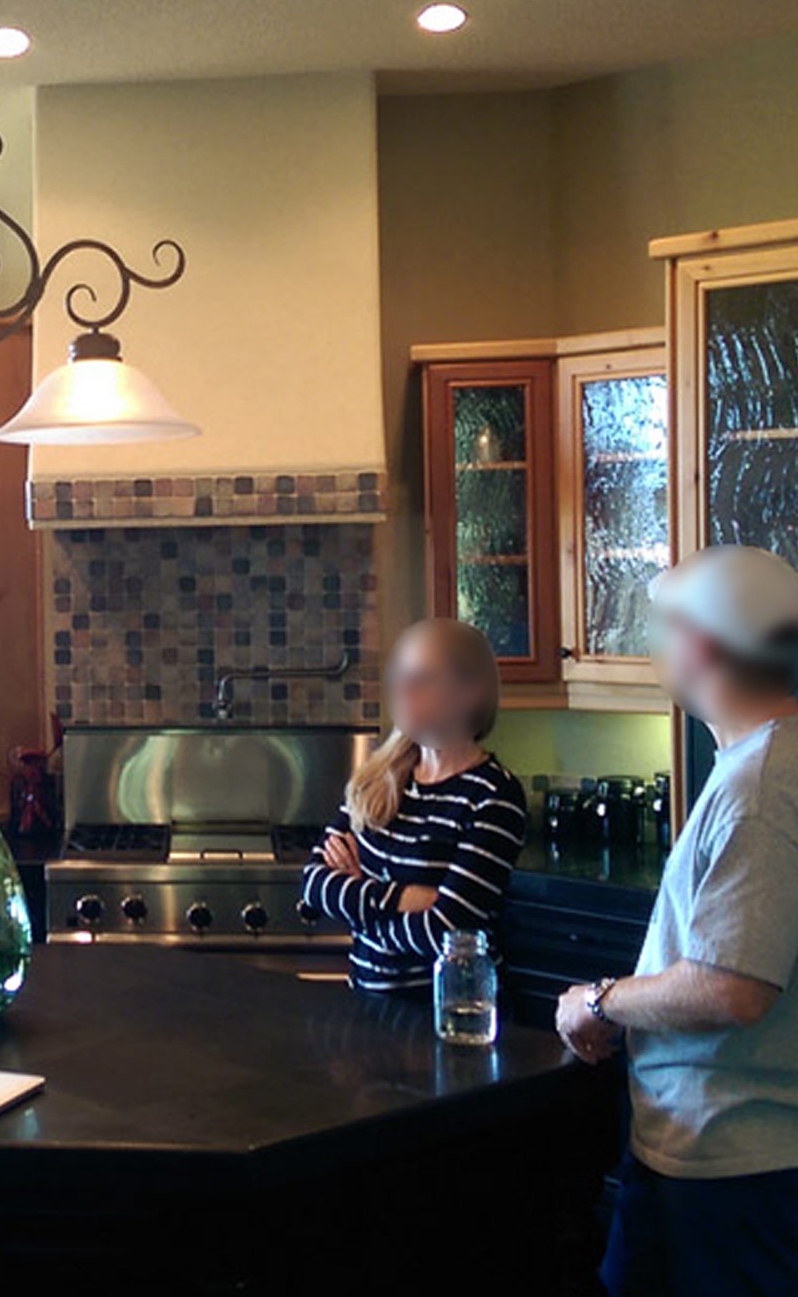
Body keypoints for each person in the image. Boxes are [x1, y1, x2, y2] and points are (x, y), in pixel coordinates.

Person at [556, 545, 798, 1296]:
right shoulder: (761, 765)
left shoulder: (759, 788)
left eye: (665, 628)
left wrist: (600, 1002)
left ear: (704, 645)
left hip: (732, 1159)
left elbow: (733, 988)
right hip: (726, 1153)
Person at [302, 617, 527, 996]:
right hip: (364, 1007)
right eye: (399, 676)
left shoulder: (493, 795)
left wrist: (359, 902)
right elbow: (313, 883)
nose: (402, 690)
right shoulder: (378, 776)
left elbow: (447, 932)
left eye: (421, 678)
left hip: (447, 1011)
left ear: (471, 692)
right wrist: (401, 898)